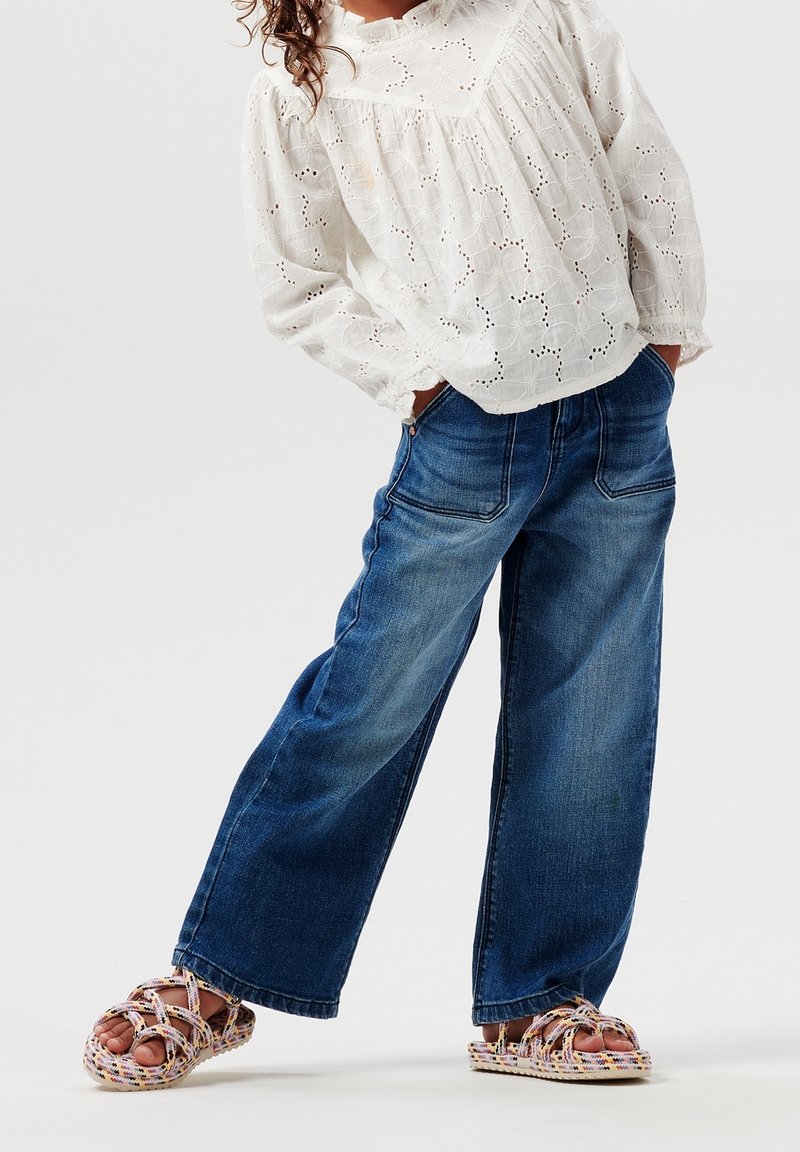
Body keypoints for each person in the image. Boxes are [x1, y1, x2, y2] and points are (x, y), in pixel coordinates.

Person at [84, 0, 712, 1089]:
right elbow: (297, 280)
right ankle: (218, 972)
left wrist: (662, 337)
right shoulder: (306, 78)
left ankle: (540, 998)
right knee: (369, 696)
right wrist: (424, 382)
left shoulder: (536, 15)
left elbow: (640, 160)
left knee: (592, 708)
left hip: (617, 413)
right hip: (467, 435)